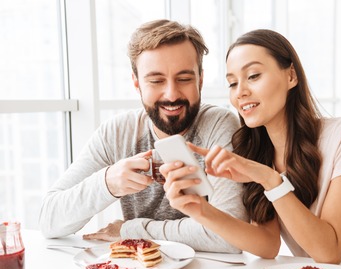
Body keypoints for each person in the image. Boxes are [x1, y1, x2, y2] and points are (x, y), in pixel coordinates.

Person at [161, 29, 341, 265]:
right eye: (232, 83)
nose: (241, 92)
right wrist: (201, 211)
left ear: (291, 76)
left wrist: (270, 180)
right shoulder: (257, 153)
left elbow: (329, 251)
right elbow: (267, 245)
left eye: (253, 76)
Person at [39, 19, 248, 253]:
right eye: (156, 81)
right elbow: (49, 220)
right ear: (137, 83)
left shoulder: (219, 125)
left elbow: (230, 237)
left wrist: (131, 230)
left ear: (200, 79)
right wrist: (108, 183)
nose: (171, 94)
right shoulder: (117, 133)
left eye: (184, 79)